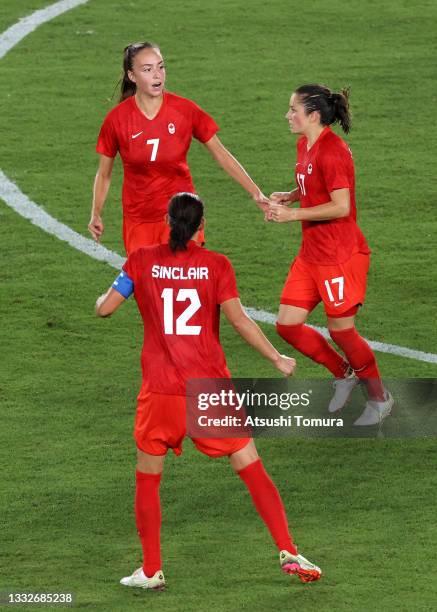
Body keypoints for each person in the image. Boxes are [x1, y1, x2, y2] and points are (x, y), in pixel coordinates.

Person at [95, 192, 322, 590]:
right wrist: (276, 359)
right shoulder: (216, 265)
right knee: (251, 467)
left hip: (160, 394)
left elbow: (105, 308)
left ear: (168, 223)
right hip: (209, 391)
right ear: (202, 226)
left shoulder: (142, 260)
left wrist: (105, 296)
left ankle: (150, 571)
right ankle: (287, 549)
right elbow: (240, 321)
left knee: (148, 479)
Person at [268, 84, 393, 426]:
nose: (287, 115)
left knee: (342, 332)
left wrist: (291, 216)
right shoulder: (304, 143)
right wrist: (293, 196)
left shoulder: (333, 151)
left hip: (340, 255)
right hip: (312, 254)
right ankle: (343, 373)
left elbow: (341, 205)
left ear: (314, 115)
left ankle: (380, 398)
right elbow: (314, 182)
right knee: (288, 325)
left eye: (293, 110)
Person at [88, 41, 269, 255]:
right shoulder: (117, 120)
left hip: (181, 215)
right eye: (147, 69)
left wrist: (256, 193)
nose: (157, 75)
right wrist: (96, 213)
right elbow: (104, 173)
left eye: (161, 66)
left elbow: (221, 154)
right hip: (139, 218)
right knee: (147, 286)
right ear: (132, 76)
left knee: (183, 278)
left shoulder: (185, 110)